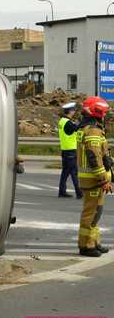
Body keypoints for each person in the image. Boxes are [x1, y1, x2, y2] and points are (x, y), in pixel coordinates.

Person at [76, 96, 112, 257]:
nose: (105, 116)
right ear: (97, 112)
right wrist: (103, 179)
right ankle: (85, 246)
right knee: (90, 213)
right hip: (93, 179)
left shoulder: (89, 128)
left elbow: (103, 155)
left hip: (94, 178)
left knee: (97, 211)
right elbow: (94, 157)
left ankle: (94, 241)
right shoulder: (92, 130)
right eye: (103, 113)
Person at [58, 102, 83, 199]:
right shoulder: (68, 123)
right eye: (73, 110)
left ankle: (62, 191)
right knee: (74, 172)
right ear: (70, 111)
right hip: (71, 151)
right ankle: (79, 192)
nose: (74, 112)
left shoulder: (62, 121)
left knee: (65, 172)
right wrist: (82, 122)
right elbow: (77, 128)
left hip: (65, 150)